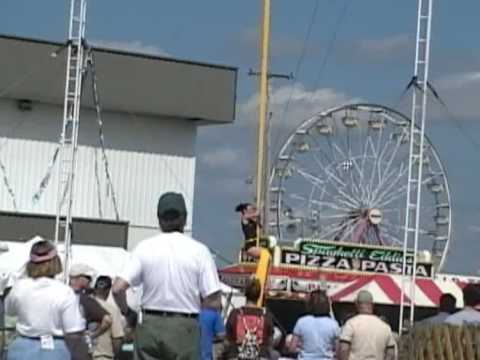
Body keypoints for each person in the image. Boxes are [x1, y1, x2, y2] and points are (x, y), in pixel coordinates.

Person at [112, 192, 221, 360]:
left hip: (149, 324)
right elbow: (213, 300)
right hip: (185, 326)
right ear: (184, 218)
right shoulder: (200, 251)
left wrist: (128, 312)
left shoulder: (144, 248)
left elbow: (118, 288)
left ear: (159, 219)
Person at [5, 240, 90, 360]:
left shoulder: (19, 287)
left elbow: (9, 311)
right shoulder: (64, 291)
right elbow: (73, 331)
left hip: (21, 348)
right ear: (55, 262)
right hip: (54, 349)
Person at [221, 278, 276, 360]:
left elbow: (227, 340)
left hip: (236, 356)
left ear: (245, 293)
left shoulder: (235, 314)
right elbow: (270, 341)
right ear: (259, 294)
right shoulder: (266, 315)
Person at [337, 290, 395, 360]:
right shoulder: (385, 327)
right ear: (372, 305)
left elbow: (344, 349)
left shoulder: (351, 324)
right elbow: (391, 353)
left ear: (357, 304)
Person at [287, 290, 339, 360]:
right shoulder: (333, 324)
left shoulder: (301, 321)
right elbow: (338, 350)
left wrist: (303, 350)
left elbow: (292, 348)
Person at [69, 264, 113, 347]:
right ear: (80, 278)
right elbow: (107, 320)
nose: (90, 281)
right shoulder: (86, 300)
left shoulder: (58, 295)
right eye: (89, 278)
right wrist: (93, 335)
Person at [92, 276, 125, 360]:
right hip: (103, 357)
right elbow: (117, 339)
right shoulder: (112, 311)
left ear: (95, 288)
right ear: (108, 290)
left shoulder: (82, 305)